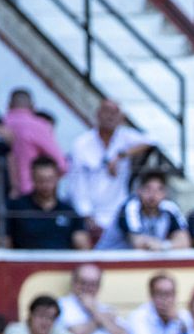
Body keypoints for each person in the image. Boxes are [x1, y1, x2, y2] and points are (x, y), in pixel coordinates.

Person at [65, 99, 152, 236]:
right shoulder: (81, 144)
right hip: (89, 215)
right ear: (98, 114)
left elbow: (152, 140)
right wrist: (86, 214)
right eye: (106, 111)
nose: (110, 116)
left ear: (121, 118)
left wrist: (120, 156)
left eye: (115, 112)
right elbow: (77, 183)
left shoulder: (125, 137)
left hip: (118, 213)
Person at [7, 156, 90, 250]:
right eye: (41, 180)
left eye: (49, 179)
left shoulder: (69, 211)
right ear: (32, 179)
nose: (45, 185)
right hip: (25, 263)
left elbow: (83, 246)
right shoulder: (16, 208)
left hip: (61, 262)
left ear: (57, 178)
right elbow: (5, 242)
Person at [96, 169, 189, 250]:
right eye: (148, 189)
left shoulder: (170, 208)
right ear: (139, 190)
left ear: (165, 193)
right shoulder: (130, 207)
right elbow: (138, 243)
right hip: (107, 259)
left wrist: (164, 246)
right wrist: (164, 245)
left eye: (159, 190)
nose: (153, 195)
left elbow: (185, 242)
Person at [59, 263, 130, 334]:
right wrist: (99, 315)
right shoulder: (62, 305)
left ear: (99, 287)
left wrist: (95, 311)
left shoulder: (104, 308)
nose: (87, 288)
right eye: (83, 282)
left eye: (93, 284)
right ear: (74, 282)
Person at [1, 88, 66, 195]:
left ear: (9, 105)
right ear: (32, 106)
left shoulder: (0, 123)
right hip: (31, 194)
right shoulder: (39, 126)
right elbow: (61, 165)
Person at [123, 271, 188, 334]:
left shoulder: (183, 317)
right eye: (160, 294)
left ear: (175, 295)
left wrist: (181, 325)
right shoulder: (138, 317)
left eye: (169, 294)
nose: (165, 299)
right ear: (151, 295)